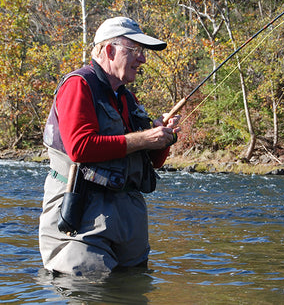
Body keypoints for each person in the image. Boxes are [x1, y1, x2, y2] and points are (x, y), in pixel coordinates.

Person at [39, 16, 180, 276]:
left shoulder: (127, 98)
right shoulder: (78, 85)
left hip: (128, 219)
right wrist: (145, 138)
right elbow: (80, 148)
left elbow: (153, 162)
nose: (143, 59)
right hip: (83, 217)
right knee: (86, 291)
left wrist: (163, 138)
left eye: (143, 52)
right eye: (135, 51)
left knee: (132, 292)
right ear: (110, 50)